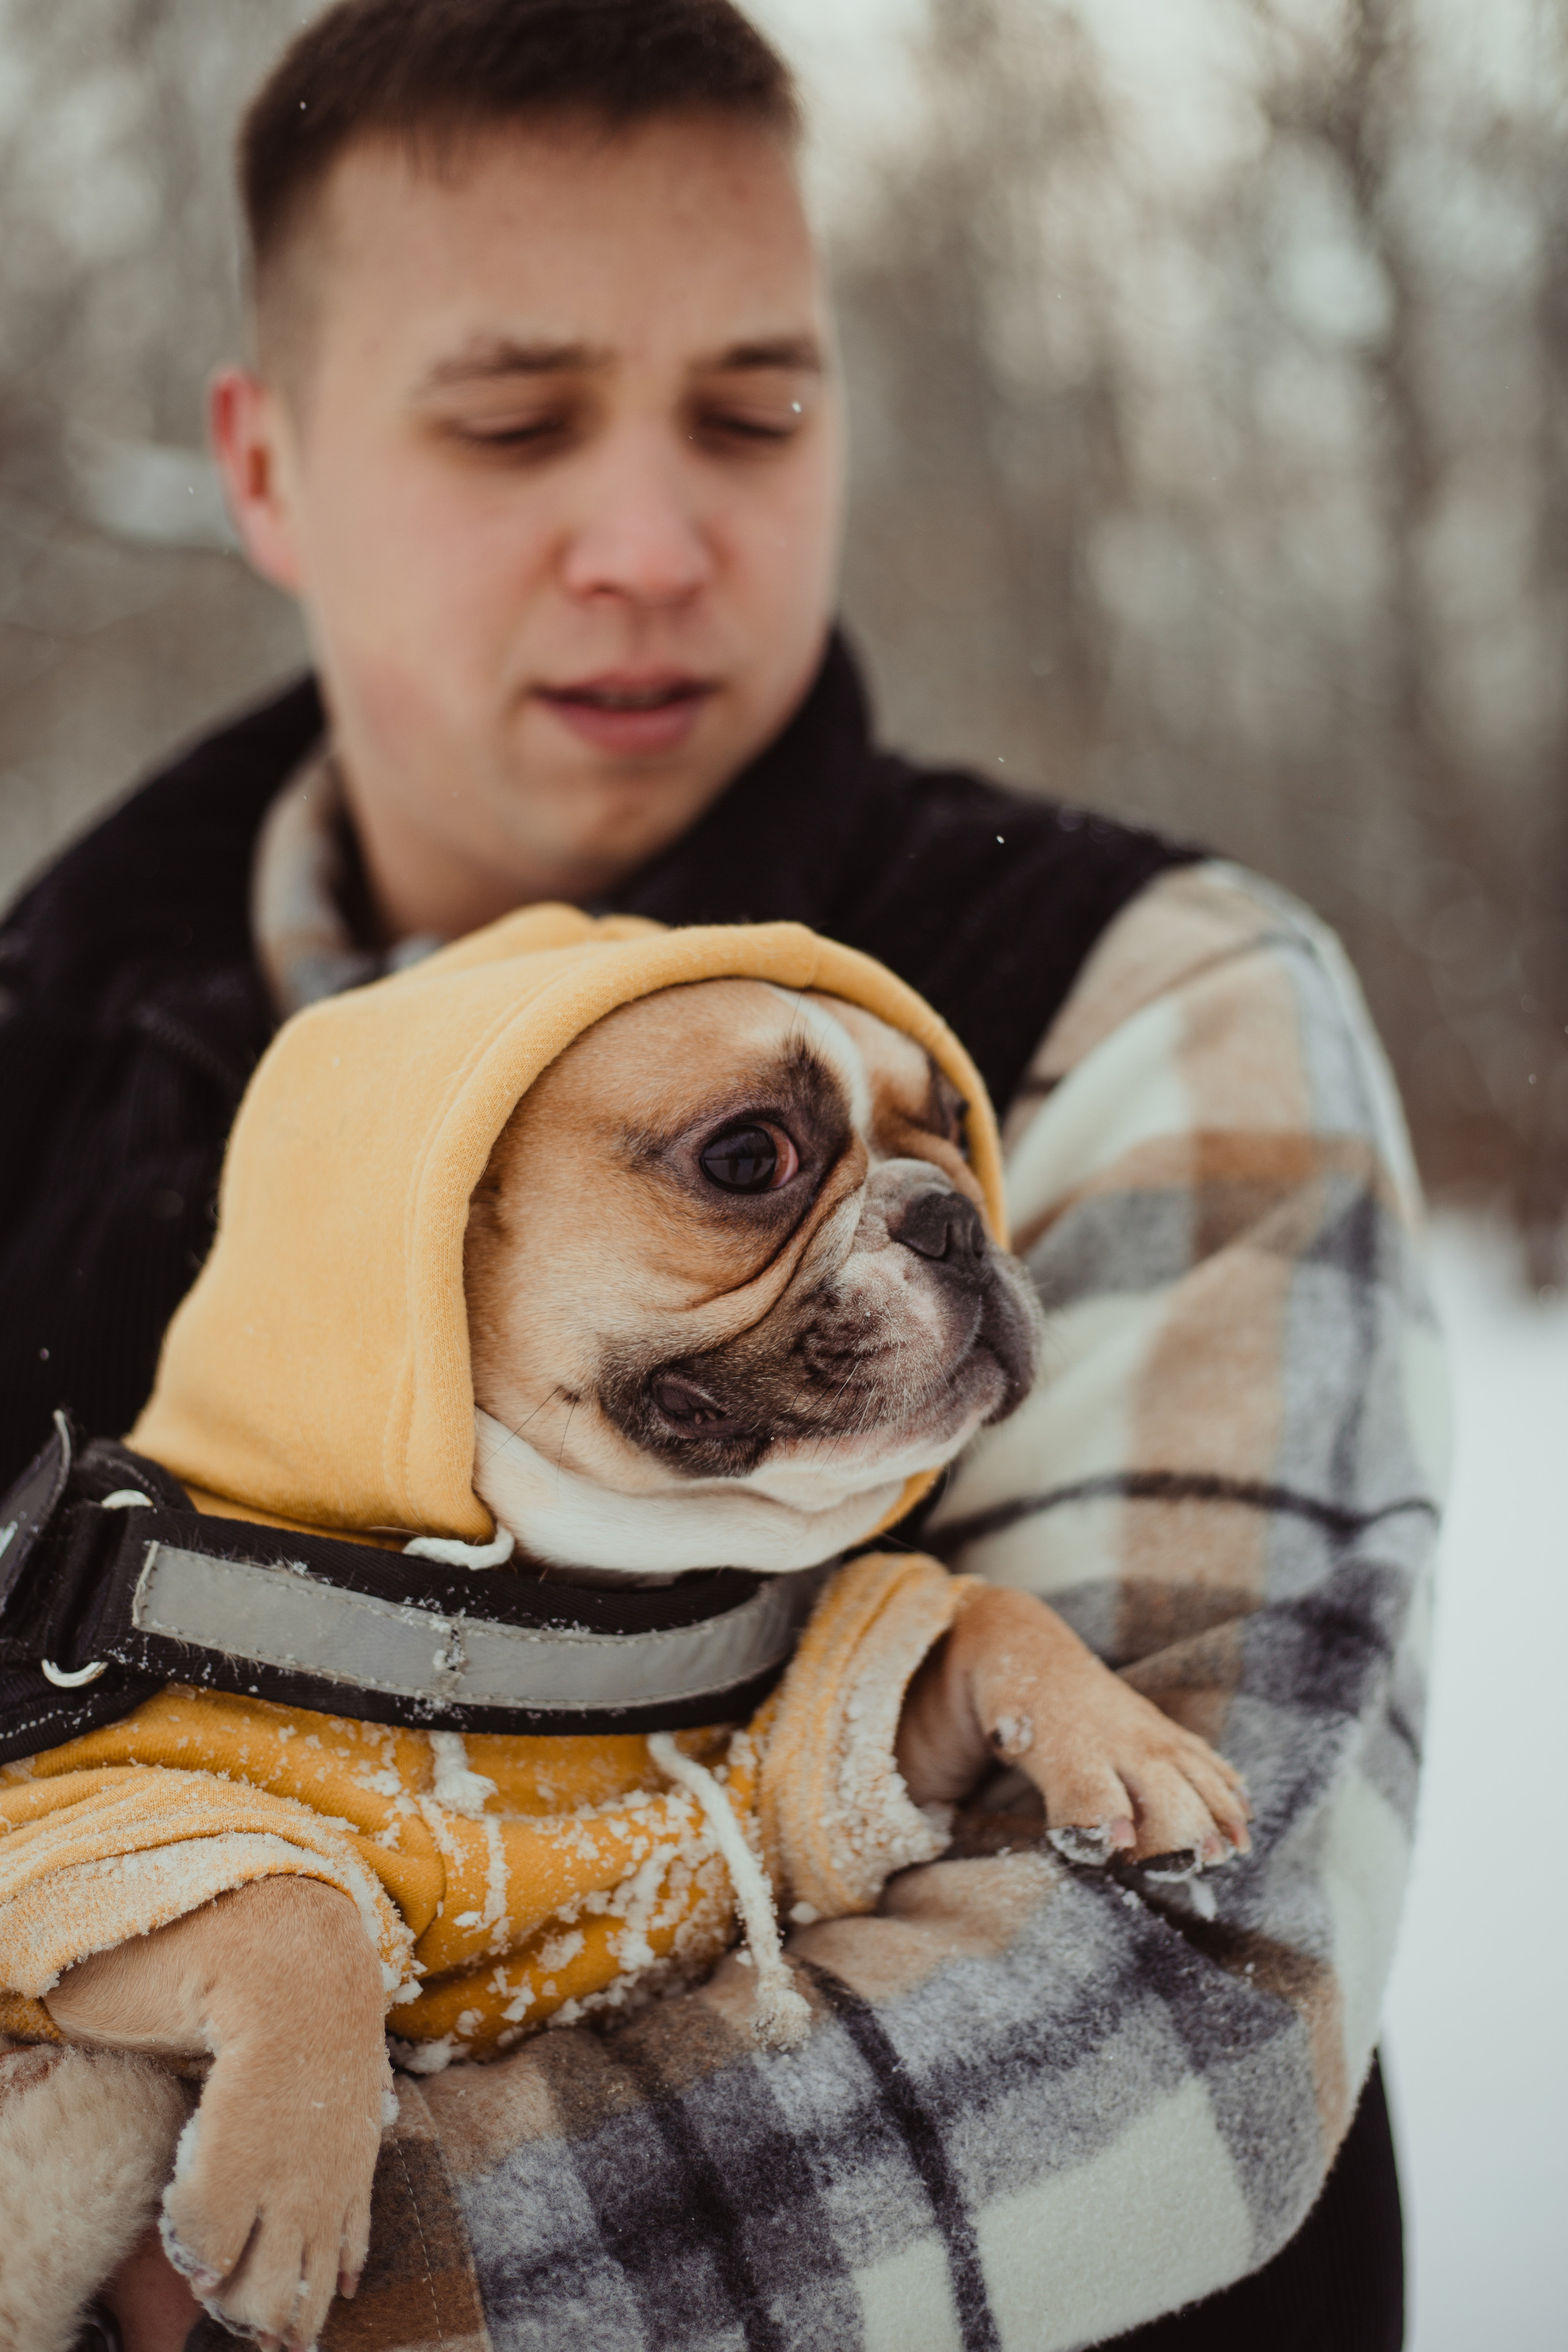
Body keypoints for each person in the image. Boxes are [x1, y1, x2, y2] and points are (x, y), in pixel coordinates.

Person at [0, 4, 1434, 2347]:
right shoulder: (43, 1016)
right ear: (263, 468)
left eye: (758, 410)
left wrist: (255, 2274)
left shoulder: (1148, 991)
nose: (657, 543)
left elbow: (1190, 2014)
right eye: (515, 420)